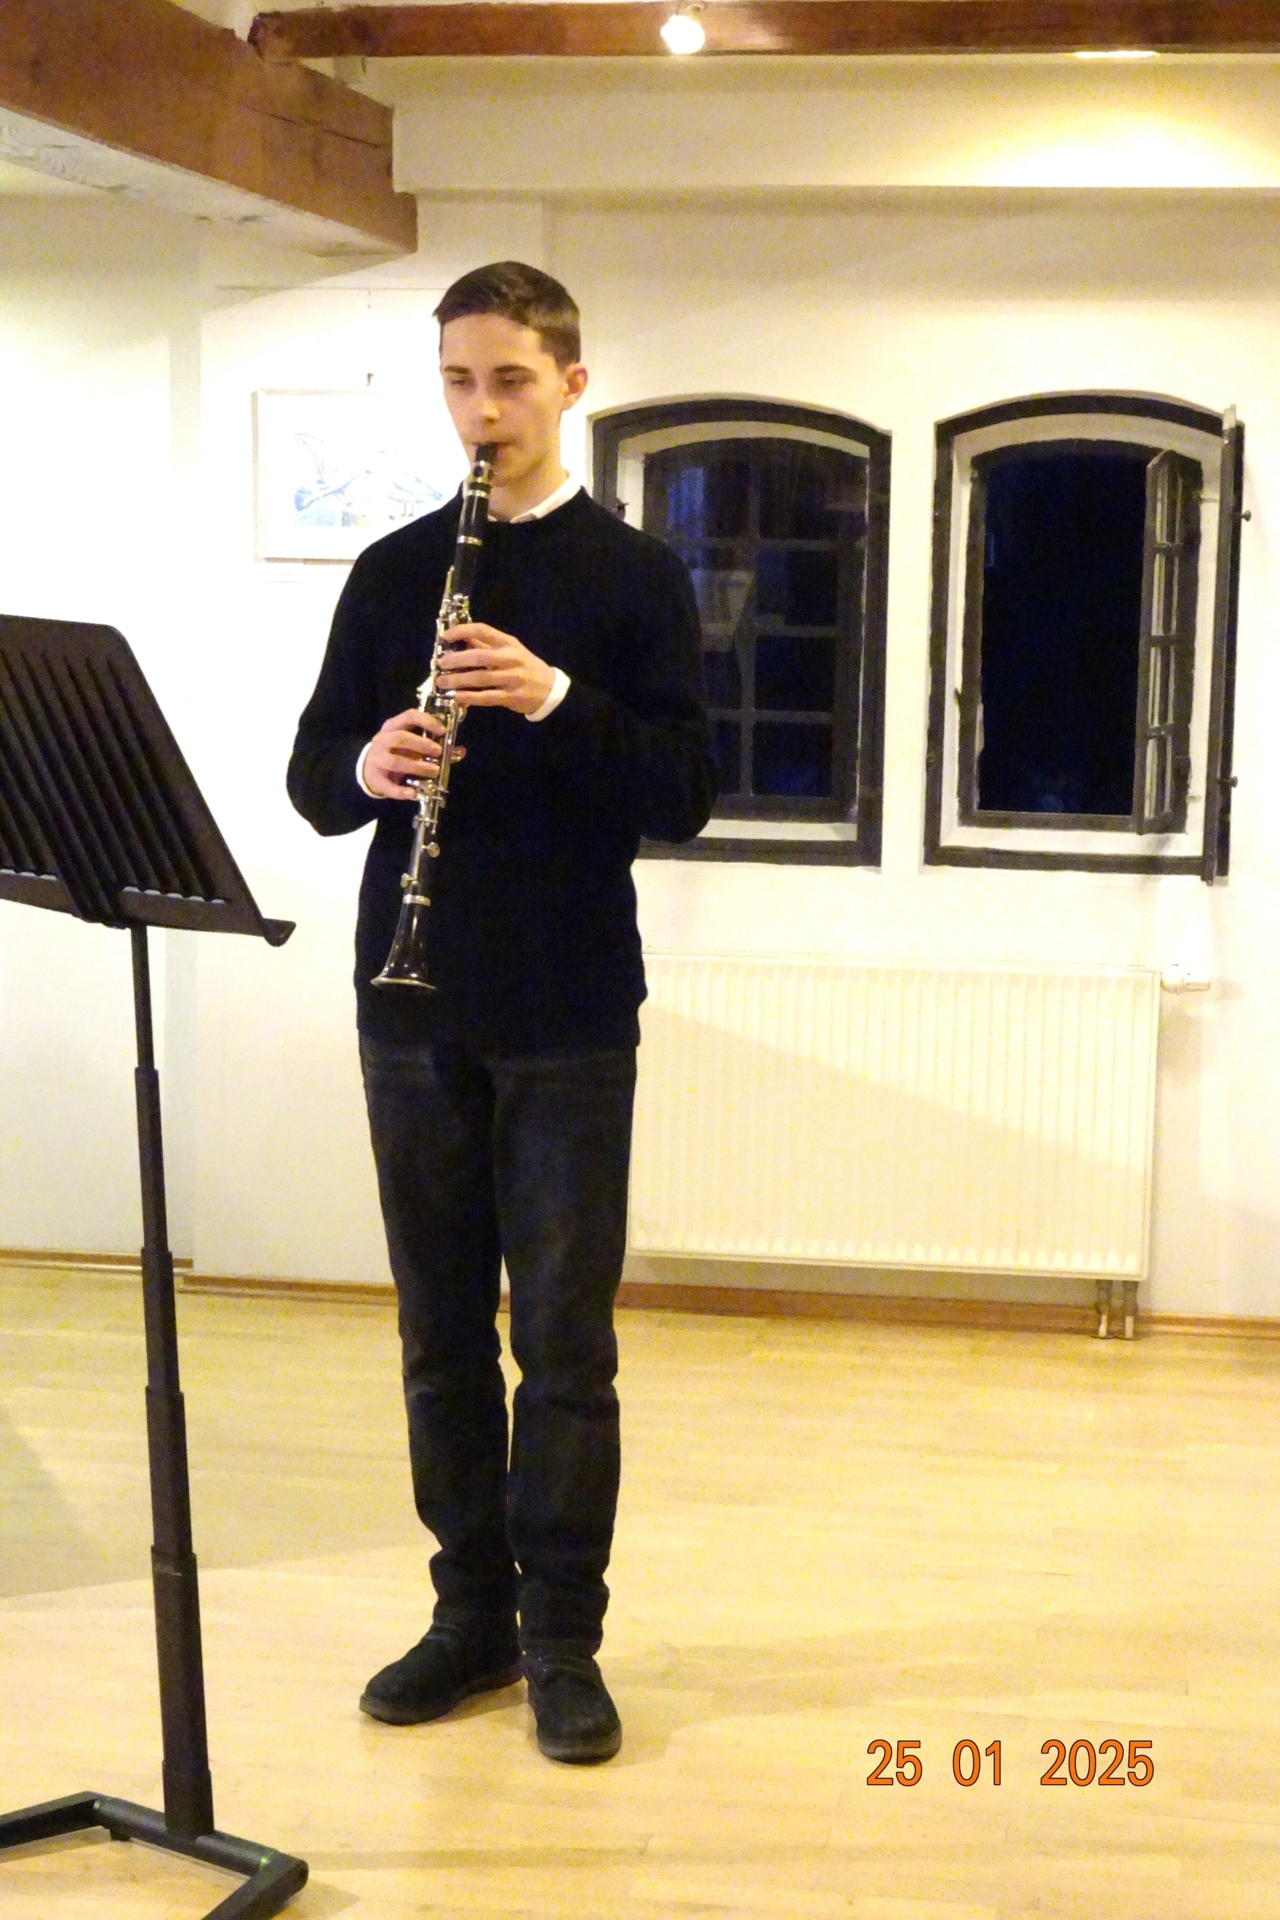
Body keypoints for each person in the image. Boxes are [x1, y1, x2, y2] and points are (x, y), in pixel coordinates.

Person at [287, 261, 715, 1764]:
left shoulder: (636, 579)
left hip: (571, 1009)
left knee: (567, 1344)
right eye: (460, 381)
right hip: (410, 1007)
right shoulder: (394, 571)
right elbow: (312, 775)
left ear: (572, 386)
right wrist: (369, 766)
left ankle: (560, 1642)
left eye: (512, 381)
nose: (483, 412)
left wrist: (550, 698)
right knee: (437, 1337)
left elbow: (684, 793)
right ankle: (467, 1615)